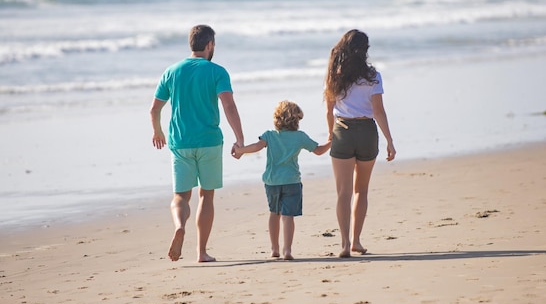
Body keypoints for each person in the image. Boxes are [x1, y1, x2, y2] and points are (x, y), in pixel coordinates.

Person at [150, 24, 244, 263]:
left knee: (181, 197)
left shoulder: (171, 71)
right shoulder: (217, 71)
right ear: (209, 45)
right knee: (206, 196)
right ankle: (201, 252)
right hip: (209, 142)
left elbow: (154, 109)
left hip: (180, 142)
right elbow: (229, 105)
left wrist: (158, 131)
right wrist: (239, 139)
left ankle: (180, 226)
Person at [324, 29, 396, 258]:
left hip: (342, 131)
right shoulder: (373, 76)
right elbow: (379, 111)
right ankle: (356, 241)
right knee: (361, 190)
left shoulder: (334, 75)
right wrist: (389, 140)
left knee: (343, 192)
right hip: (367, 132)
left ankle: (344, 244)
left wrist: (330, 134)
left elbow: (328, 111)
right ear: (365, 51)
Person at [234, 100, 331, 260]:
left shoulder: (269, 136)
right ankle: (287, 250)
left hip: (272, 182)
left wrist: (240, 150)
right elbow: (319, 151)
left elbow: (256, 147)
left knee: (274, 213)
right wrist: (331, 141)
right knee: (288, 216)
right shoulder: (300, 137)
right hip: (292, 181)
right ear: (295, 121)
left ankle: (274, 249)